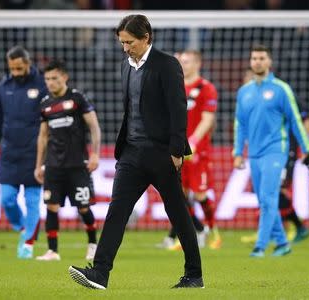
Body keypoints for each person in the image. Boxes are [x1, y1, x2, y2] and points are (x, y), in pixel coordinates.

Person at [68, 14, 203, 289]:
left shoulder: (167, 65)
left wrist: (177, 151)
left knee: (177, 213)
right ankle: (100, 273)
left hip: (162, 153)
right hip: (131, 153)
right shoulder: (125, 66)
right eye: (122, 42)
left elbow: (178, 110)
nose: (125, 47)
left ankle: (194, 275)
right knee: (117, 211)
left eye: (129, 42)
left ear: (146, 38)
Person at [233, 44, 309, 258]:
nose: (257, 62)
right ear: (250, 61)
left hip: (276, 150)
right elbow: (240, 124)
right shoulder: (243, 92)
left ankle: (260, 246)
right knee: (263, 199)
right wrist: (238, 152)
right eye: (254, 58)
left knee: (268, 196)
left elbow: (296, 121)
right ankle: (283, 243)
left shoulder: (281, 89)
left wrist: (307, 150)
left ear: (269, 62)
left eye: (262, 58)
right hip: (254, 153)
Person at [34, 59, 101, 262]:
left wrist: (95, 154)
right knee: (51, 207)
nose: (50, 82)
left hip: (77, 165)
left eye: (54, 78)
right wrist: (38, 165)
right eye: (47, 79)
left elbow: (94, 126)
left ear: (64, 77)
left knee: (83, 207)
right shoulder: (45, 104)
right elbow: (43, 136)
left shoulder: (77, 98)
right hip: (54, 166)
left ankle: (92, 245)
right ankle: (52, 251)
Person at [0, 45, 47, 259]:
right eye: (13, 69)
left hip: (35, 152)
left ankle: (28, 244)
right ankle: (22, 227)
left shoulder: (42, 83)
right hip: (10, 152)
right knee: (7, 200)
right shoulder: (4, 86)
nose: (16, 73)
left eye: (20, 68)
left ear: (28, 64)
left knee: (32, 201)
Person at [240, 69, 309, 244]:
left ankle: (298, 227)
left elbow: (306, 120)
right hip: (264, 151)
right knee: (266, 191)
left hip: (285, 149)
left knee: (276, 190)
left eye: (248, 78)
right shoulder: (250, 99)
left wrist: (306, 148)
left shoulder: (281, 93)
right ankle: (274, 230)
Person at [158, 50, 221, 250]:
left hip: (198, 152)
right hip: (176, 150)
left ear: (197, 64)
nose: (182, 65)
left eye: (186, 62)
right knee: (180, 196)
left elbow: (208, 119)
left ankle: (213, 231)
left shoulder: (206, 88)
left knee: (200, 195)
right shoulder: (174, 87)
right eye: (180, 62)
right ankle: (193, 232)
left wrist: (193, 140)